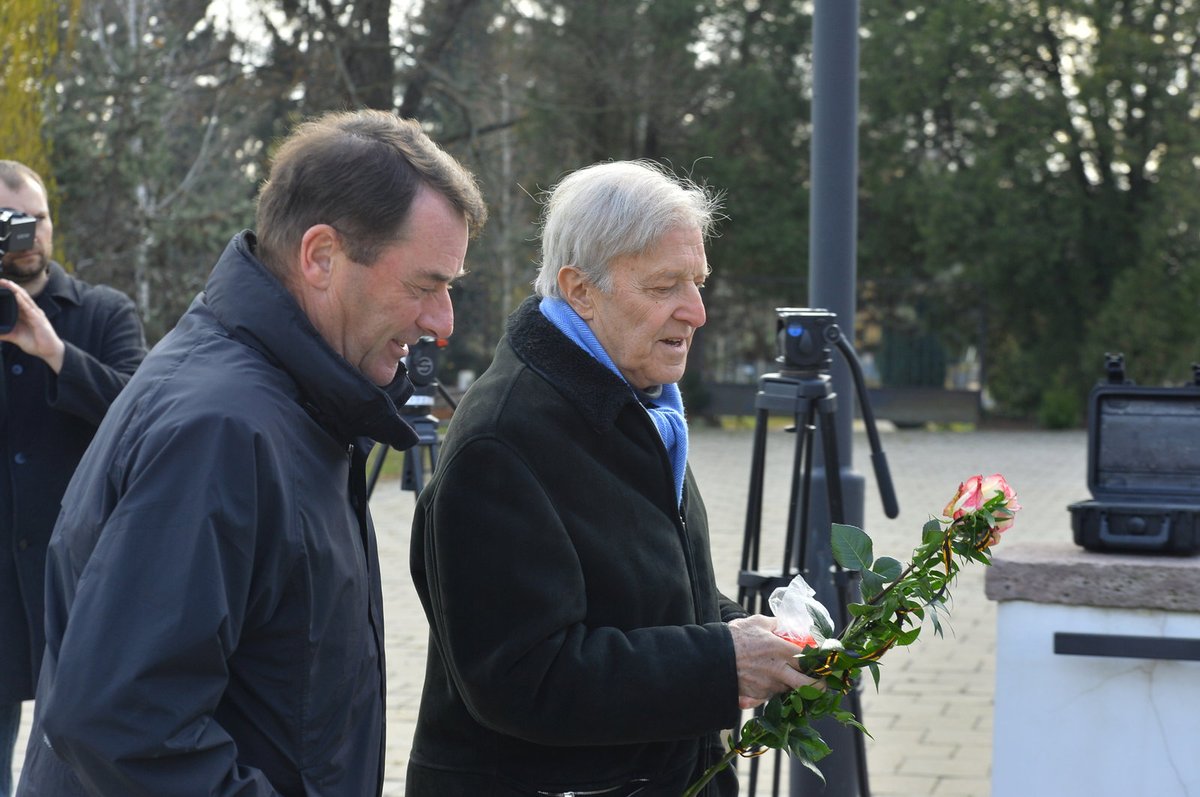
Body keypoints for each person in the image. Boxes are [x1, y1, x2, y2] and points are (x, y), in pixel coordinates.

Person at [16, 110, 487, 796]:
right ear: (321, 256)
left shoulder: (293, 402)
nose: (442, 322)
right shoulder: (222, 429)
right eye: (424, 285)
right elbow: (123, 724)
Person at [408, 160, 817, 796]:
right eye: (664, 287)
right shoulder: (504, 439)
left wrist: (760, 638)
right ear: (580, 290)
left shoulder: (638, 401)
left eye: (698, 282)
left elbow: (651, 593)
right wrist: (723, 662)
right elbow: (522, 678)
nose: (697, 311)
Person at [0, 161, 146, 797]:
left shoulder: (103, 312)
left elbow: (145, 415)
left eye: (33, 220)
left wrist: (54, 351)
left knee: (83, 766)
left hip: (83, 577)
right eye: (8, 226)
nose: (24, 238)